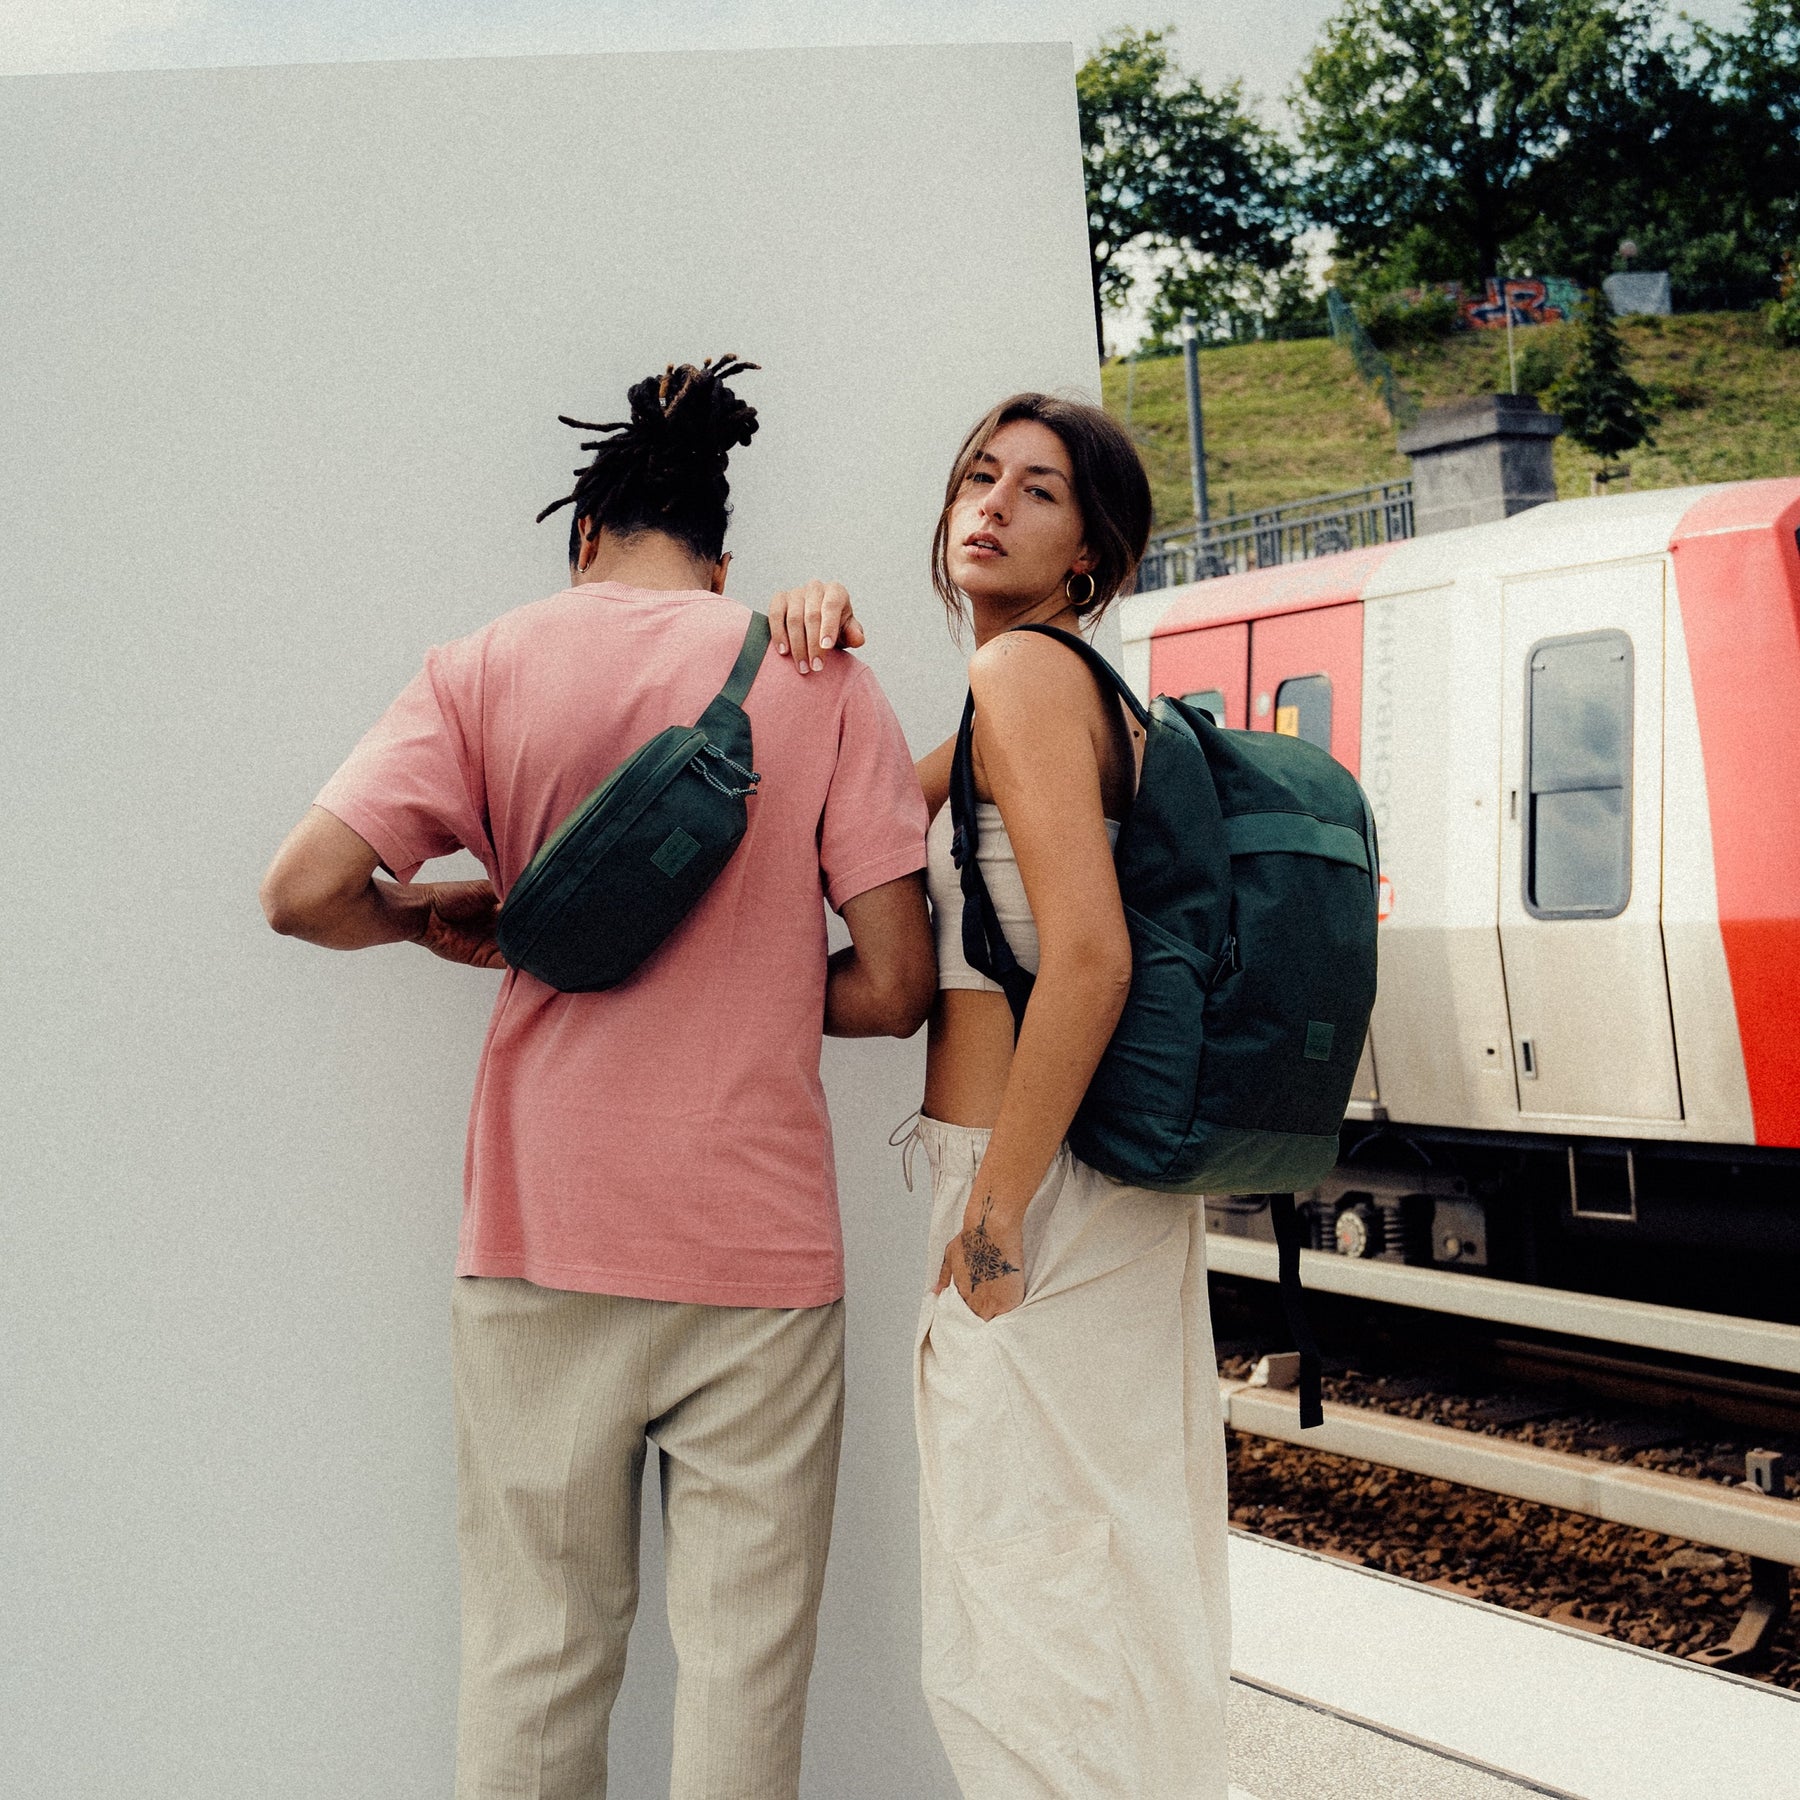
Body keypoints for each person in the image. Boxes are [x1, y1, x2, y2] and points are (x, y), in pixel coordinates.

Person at [258, 356, 936, 1800]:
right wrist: (752, 982)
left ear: (585, 538)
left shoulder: (484, 666)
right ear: (721, 557)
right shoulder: (818, 675)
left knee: (536, 1660)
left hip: (539, 1239)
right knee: (746, 1678)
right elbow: (894, 988)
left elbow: (300, 890)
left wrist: (419, 912)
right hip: (758, 1260)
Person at [768, 393, 1231, 1799]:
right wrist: (805, 643)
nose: (993, 504)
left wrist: (995, 1214)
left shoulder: (1030, 676)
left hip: (1037, 1187)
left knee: (1026, 1602)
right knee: (1102, 1572)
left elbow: (1088, 958)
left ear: (1090, 553)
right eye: (979, 477)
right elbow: (840, 827)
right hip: (1087, 1187)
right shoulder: (1024, 692)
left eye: (1038, 492)